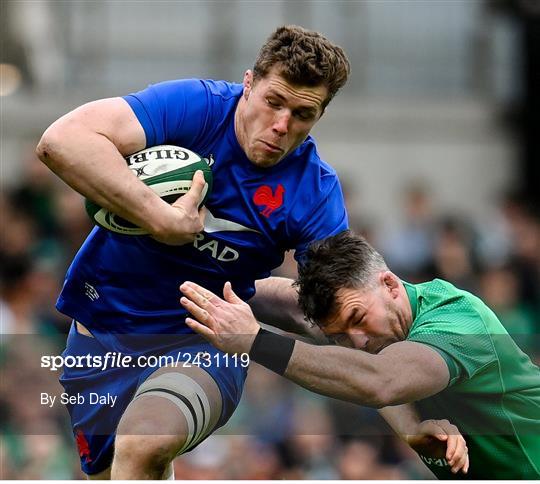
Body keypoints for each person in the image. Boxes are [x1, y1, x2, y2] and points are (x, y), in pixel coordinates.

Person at [35, 25, 354, 480]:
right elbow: (62, 140)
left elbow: (338, 311)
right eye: (273, 102)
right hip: (100, 340)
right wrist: (159, 218)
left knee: (144, 441)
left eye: (303, 113)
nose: (282, 125)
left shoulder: (315, 193)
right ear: (248, 84)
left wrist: (407, 394)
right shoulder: (198, 109)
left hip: (202, 345)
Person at [180, 230, 540, 480]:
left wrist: (255, 341)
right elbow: (284, 305)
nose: (358, 342)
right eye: (339, 336)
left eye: (358, 319)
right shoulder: (369, 322)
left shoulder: (458, 321)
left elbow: (379, 379)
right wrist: (185, 272)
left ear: (390, 284)